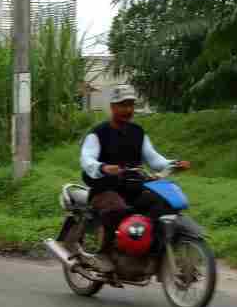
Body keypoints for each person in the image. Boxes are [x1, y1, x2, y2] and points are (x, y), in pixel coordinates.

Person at [78, 85, 189, 273]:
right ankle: (104, 253)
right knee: (117, 209)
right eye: (122, 105)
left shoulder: (138, 132)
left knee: (162, 203)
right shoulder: (98, 133)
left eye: (130, 105)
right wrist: (103, 167)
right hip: (105, 188)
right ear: (112, 107)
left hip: (133, 187)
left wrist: (172, 163)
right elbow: (87, 159)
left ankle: (147, 248)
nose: (127, 110)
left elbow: (153, 158)